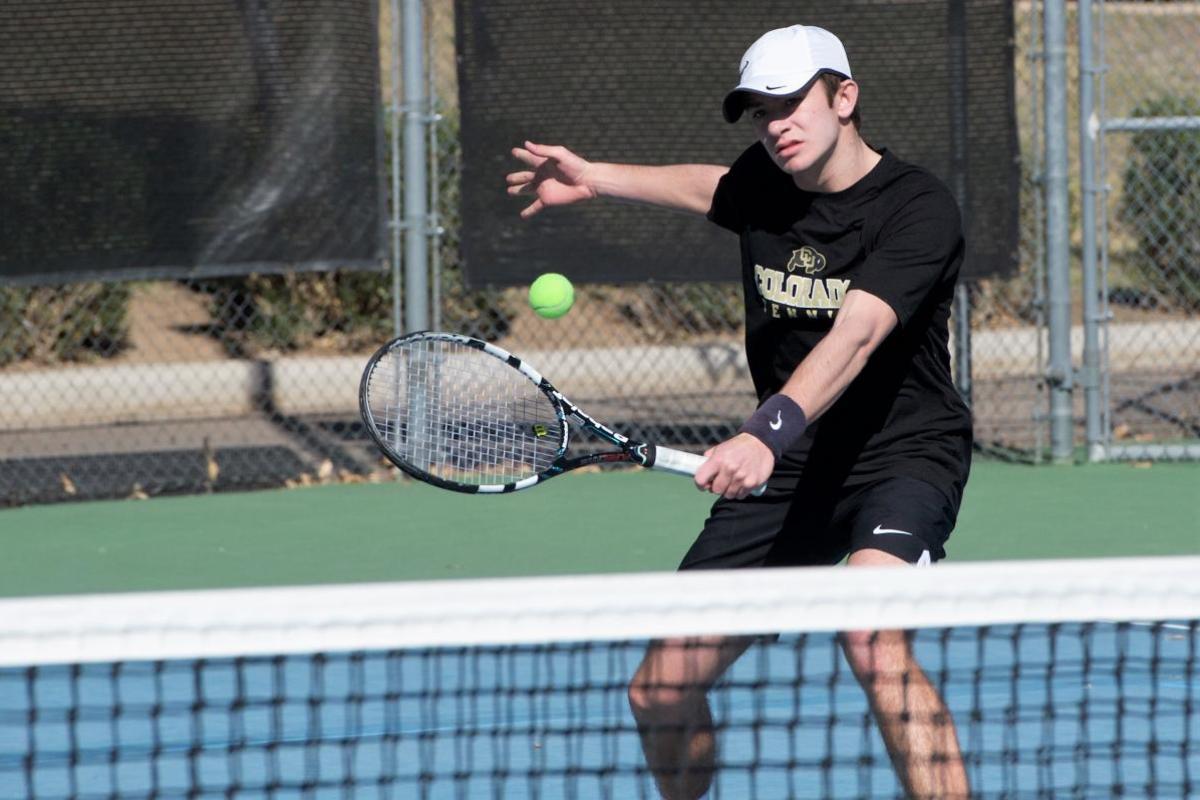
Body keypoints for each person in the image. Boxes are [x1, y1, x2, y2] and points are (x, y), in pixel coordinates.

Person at [506, 23, 973, 800]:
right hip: (791, 470)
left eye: (791, 104)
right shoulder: (765, 179)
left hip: (902, 456)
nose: (776, 125)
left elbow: (857, 335)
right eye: (761, 111)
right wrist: (594, 178)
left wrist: (765, 431)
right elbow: (707, 186)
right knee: (659, 691)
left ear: (845, 97)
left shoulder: (918, 208)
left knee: (870, 639)